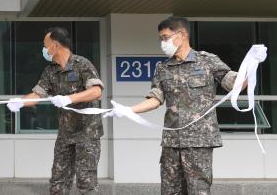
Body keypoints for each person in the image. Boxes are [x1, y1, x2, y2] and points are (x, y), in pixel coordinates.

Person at [104, 16, 243, 195]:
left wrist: (251, 66)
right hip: (171, 142)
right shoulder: (163, 68)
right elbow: (155, 99)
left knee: (198, 191)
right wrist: (128, 110)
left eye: (165, 37)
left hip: (198, 142)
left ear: (182, 34)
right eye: (161, 38)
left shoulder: (207, 61)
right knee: (170, 191)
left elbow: (234, 84)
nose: (163, 42)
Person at [7, 27, 104, 195]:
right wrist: (21, 102)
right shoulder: (50, 71)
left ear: (55, 45)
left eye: (46, 45)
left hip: (87, 134)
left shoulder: (82, 64)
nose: (44, 49)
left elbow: (96, 91)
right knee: (58, 182)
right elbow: (37, 94)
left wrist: (69, 98)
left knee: (86, 182)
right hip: (65, 135)